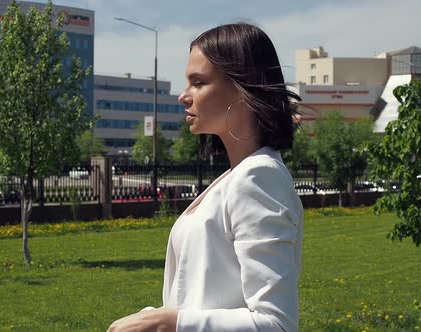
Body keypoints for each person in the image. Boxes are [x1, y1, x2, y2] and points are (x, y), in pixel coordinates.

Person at [107, 22, 304, 332]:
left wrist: (170, 323)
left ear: (242, 88)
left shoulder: (259, 177)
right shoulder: (234, 177)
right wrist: (158, 317)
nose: (184, 96)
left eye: (197, 82)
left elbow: (277, 324)